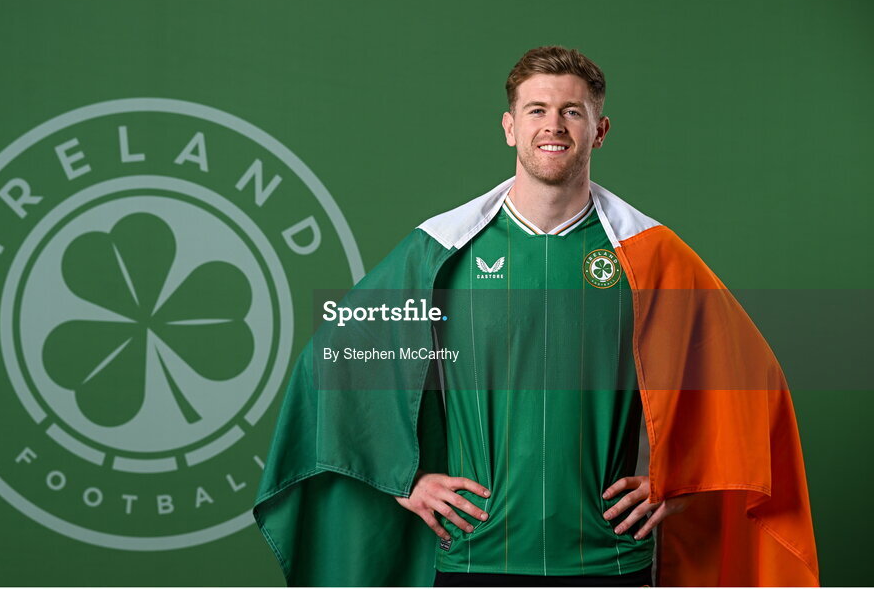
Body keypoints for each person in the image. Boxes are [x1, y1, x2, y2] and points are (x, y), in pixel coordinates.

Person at [253, 46, 819, 587]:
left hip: (609, 554)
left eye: (572, 111)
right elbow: (338, 358)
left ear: (599, 130)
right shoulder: (443, 249)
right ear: (510, 127)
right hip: (476, 551)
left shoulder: (650, 253)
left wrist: (681, 482)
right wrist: (406, 481)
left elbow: (750, 380)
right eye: (538, 111)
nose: (554, 125)